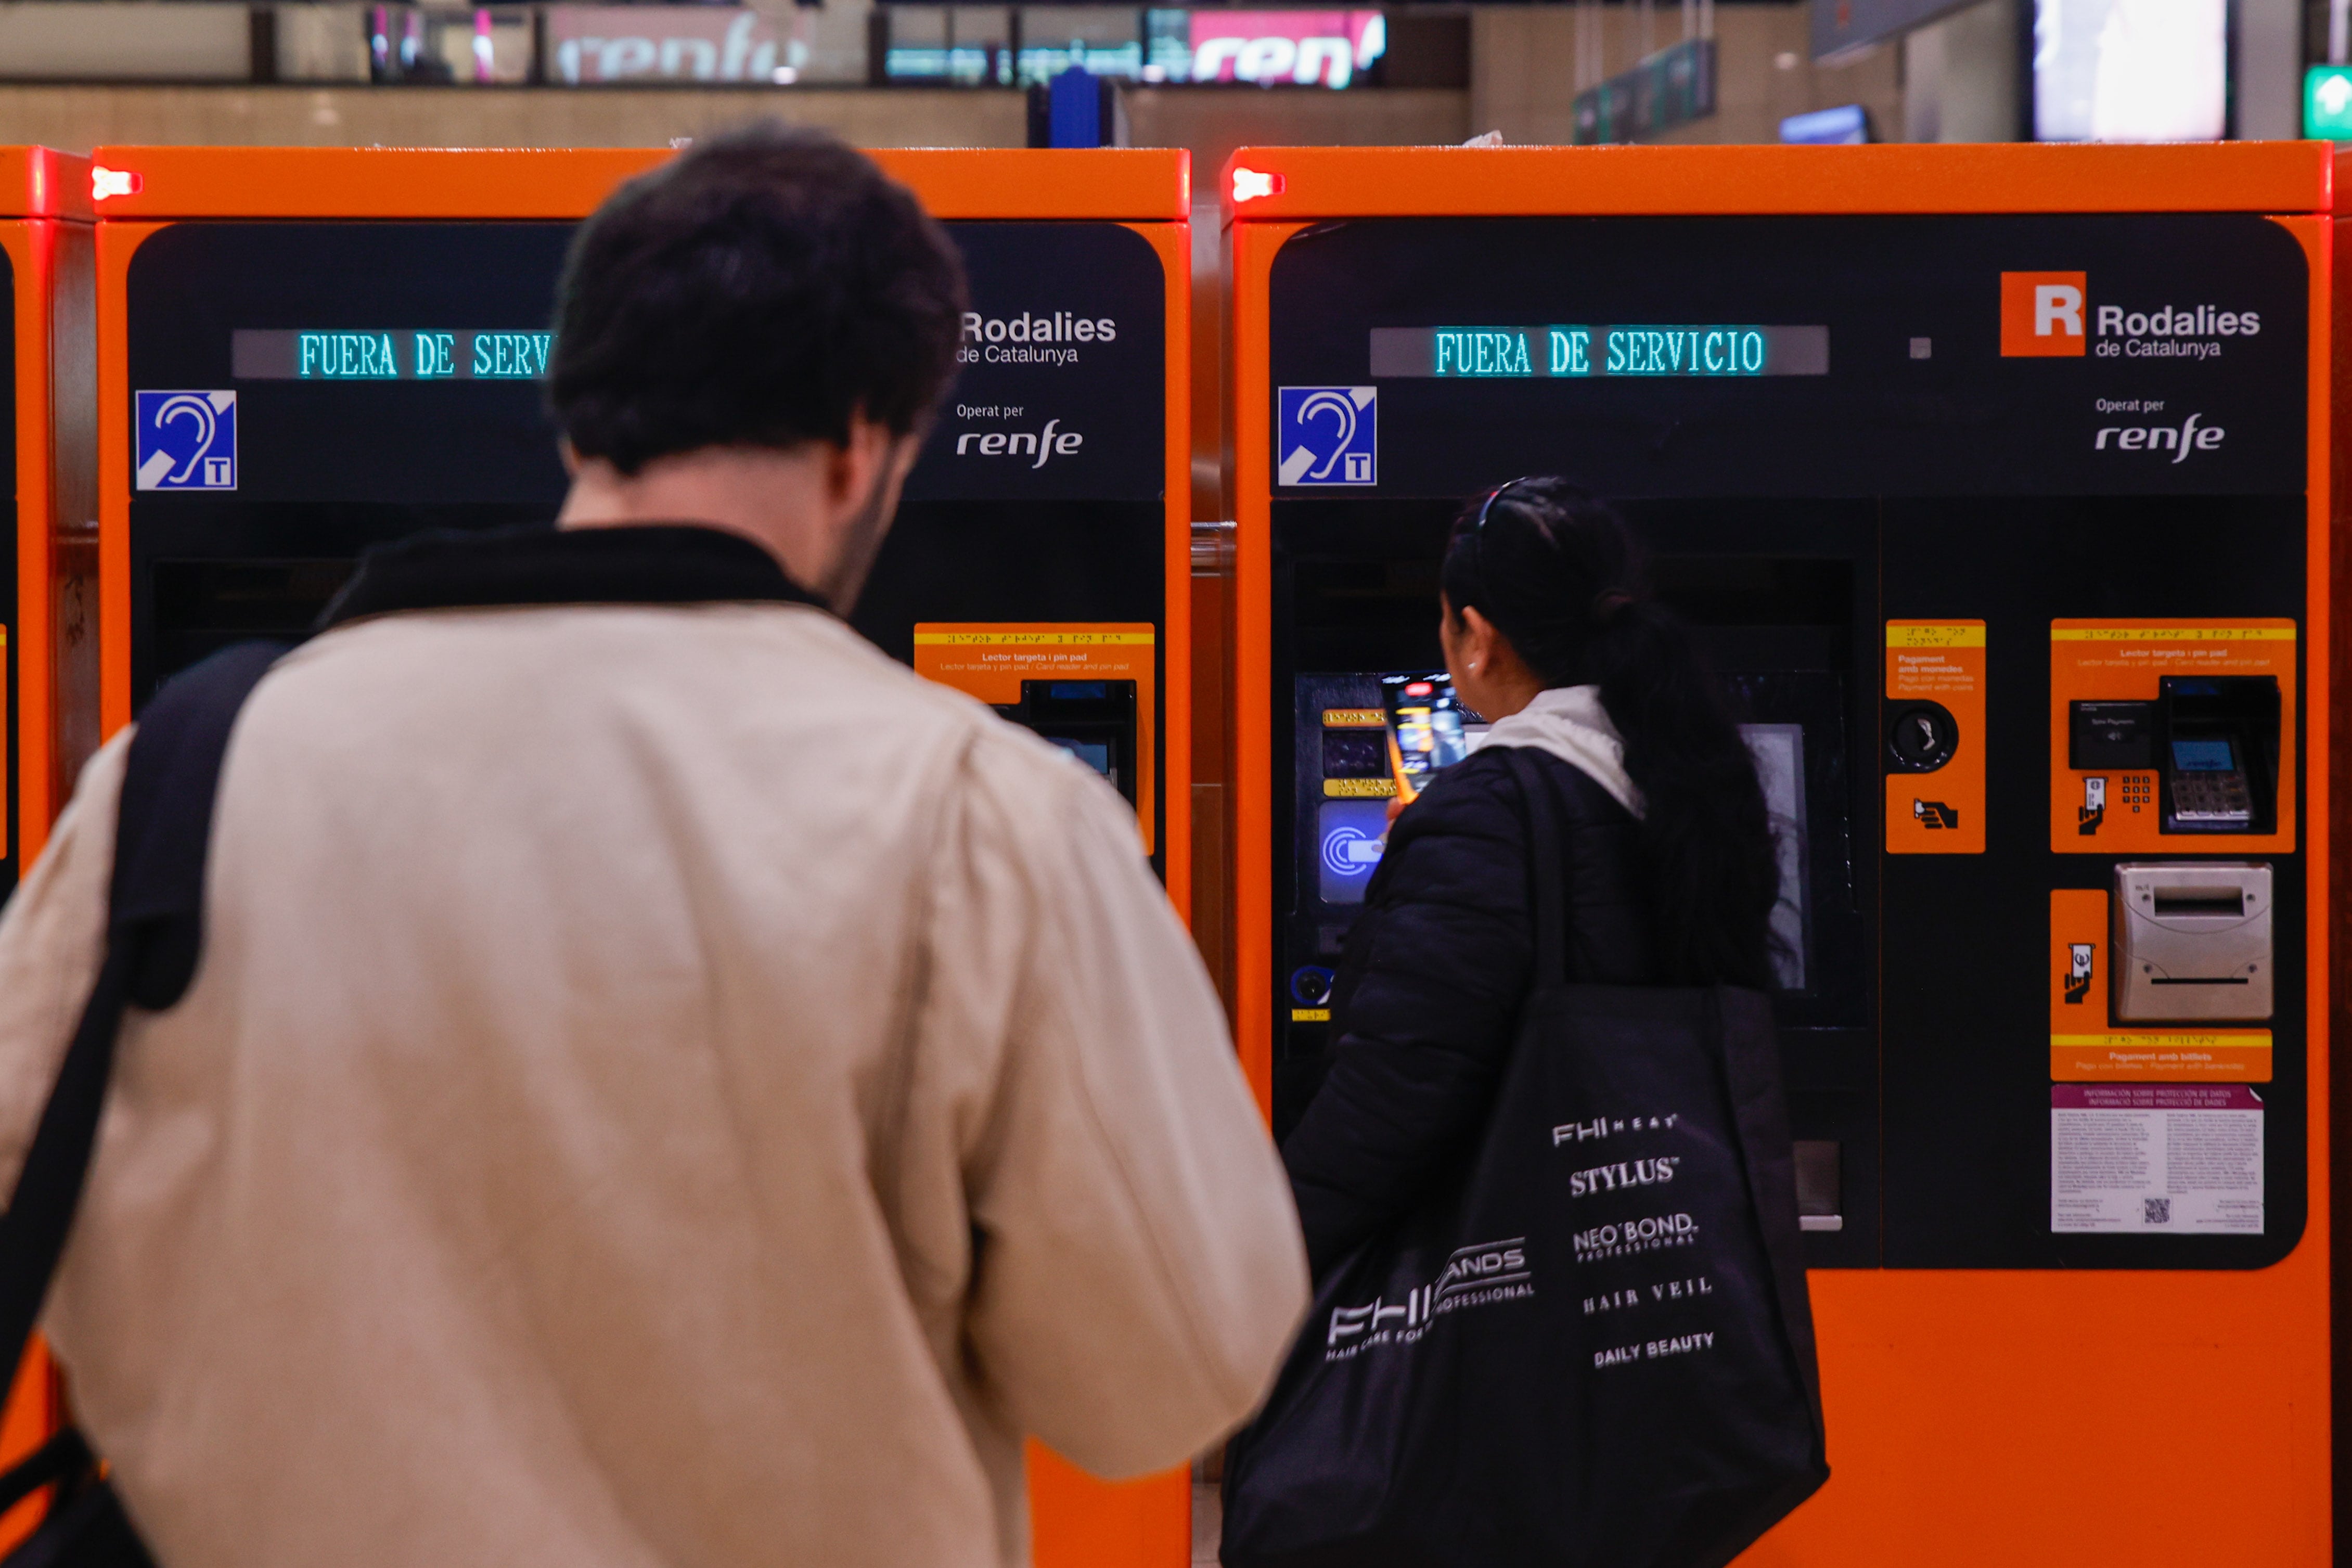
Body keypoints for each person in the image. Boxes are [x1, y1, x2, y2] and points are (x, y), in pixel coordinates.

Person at [0, 125, 1306, 1568]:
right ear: (862, 444)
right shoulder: (980, 820)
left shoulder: (184, 779)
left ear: (577, 426)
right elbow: (1169, 1371)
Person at [1280, 478, 1781, 1279]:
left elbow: (1393, 1095)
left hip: (1512, 1284)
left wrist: (1260, 1255)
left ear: (1477, 637)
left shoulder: (1491, 809)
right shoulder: (1692, 777)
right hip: (1659, 1262)